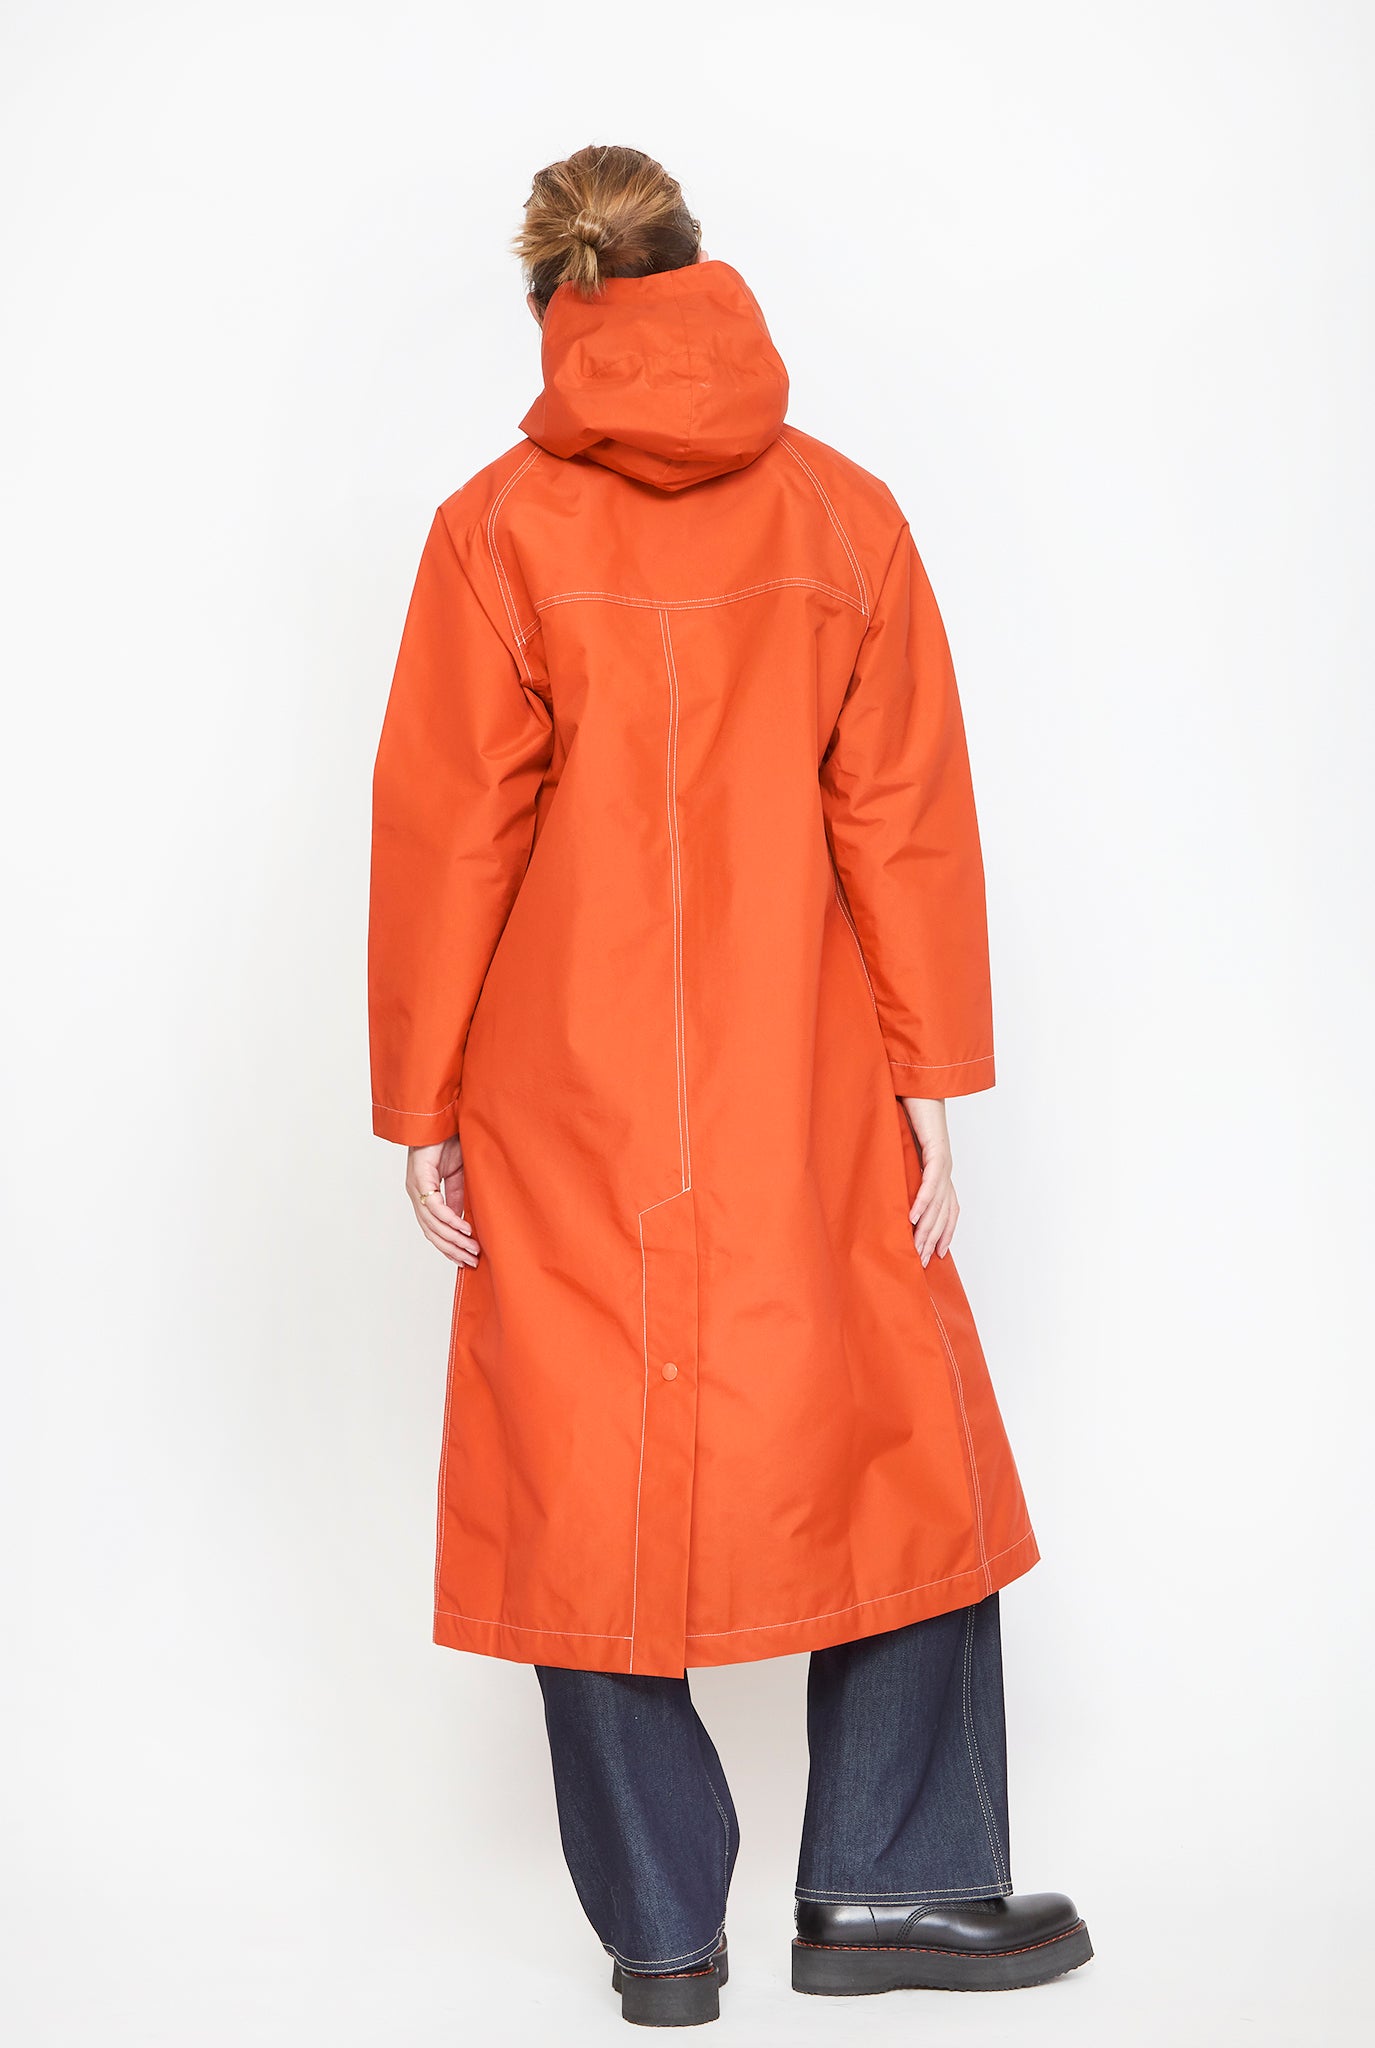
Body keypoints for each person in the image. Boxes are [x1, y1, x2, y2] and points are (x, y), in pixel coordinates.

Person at [367, 142, 1091, 2028]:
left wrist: (422, 1101)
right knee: (906, 1448)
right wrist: (933, 1080)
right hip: (807, 1074)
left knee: (581, 1470)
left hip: (564, 1088)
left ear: (554, 309)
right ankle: (896, 1884)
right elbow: (903, 817)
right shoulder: (846, 514)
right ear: (706, 279)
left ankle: (661, 1937)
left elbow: (448, 832)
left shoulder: (494, 530)